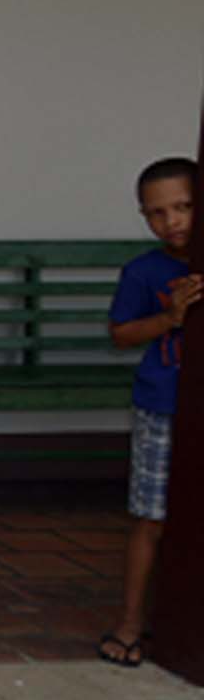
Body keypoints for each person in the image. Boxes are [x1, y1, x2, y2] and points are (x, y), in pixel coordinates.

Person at [101, 157, 196, 668]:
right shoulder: (144, 272)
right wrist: (171, 317)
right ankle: (131, 621)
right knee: (150, 518)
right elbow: (120, 334)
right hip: (161, 405)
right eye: (158, 213)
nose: (173, 221)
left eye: (184, 207)